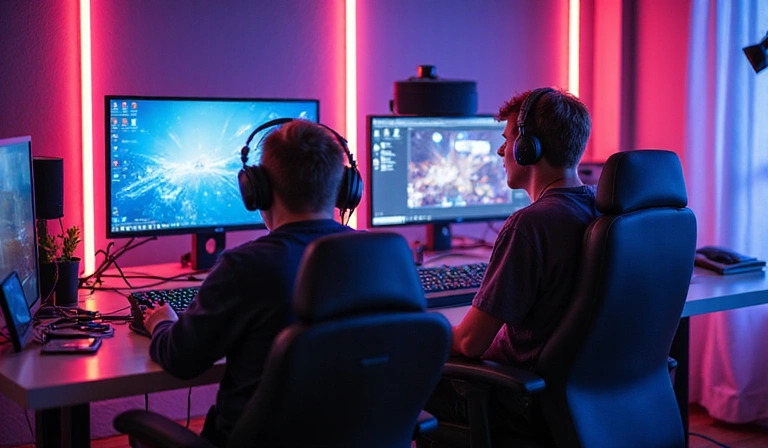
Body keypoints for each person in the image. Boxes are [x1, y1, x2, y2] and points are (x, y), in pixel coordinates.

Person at [142, 119, 356, 446]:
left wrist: (161, 324)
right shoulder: (384, 257)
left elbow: (181, 360)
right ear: (344, 188)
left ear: (257, 189)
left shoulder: (246, 266)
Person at [419, 87, 598, 446]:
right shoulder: (599, 210)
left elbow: (470, 343)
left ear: (527, 147)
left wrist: (420, 333)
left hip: (513, 398)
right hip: (579, 399)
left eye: (507, 139)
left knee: (403, 371)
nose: (502, 151)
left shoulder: (530, 225)